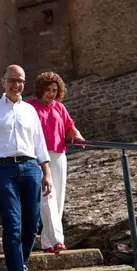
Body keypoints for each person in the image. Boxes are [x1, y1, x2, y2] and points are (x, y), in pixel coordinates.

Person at [0, 64, 54, 271]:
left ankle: (21, 261)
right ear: (3, 82)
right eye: (12, 80)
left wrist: (47, 172)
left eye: (20, 80)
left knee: (32, 224)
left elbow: (39, 142)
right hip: (3, 171)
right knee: (12, 226)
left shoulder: (30, 110)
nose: (16, 84)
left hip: (31, 167)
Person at [28, 72, 84, 254]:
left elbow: (70, 126)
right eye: (47, 90)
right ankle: (58, 240)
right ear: (40, 90)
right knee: (47, 197)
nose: (51, 93)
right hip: (38, 157)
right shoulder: (30, 106)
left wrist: (79, 137)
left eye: (54, 90)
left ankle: (47, 242)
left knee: (58, 199)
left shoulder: (60, 108)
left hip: (59, 154)